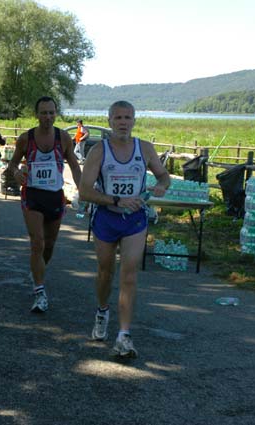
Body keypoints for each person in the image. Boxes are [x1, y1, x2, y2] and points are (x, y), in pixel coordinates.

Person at [79, 100, 170, 358]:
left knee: (129, 274)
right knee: (106, 272)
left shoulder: (145, 149)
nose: (123, 122)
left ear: (134, 121)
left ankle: (124, 336)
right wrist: (116, 200)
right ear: (109, 121)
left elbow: (164, 176)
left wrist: (163, 185)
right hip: (107, 217)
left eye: (127, 118)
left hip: (135, 219)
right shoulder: (99, 151)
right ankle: (102, 310)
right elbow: (85, 191)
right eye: (118, 117)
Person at [7, 96, 82, 313]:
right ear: (37, 114)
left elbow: (75, 168)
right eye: (43, 112)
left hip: (55, 196)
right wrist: (17, 172)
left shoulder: (64, 137)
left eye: (51, 112)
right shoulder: (26, 138)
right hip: (32, 195)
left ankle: (37, 270)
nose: (47, 117)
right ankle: (39, 291)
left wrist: (83, 190)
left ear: (55, 113)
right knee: (37, 243)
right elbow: (12, 163)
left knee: (49, 246)